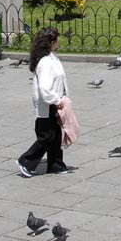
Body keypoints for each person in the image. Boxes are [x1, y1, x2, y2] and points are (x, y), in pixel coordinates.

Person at [17, 28, 73, 177]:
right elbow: (45, 87)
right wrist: (56, 100)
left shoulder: (51, 57)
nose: (59, 41)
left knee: (55, 136)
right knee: (47, 136)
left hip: (53, 103)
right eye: (57, 39)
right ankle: (26, 161)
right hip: (48, 104)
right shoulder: (46, 62)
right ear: (51, 42)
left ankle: (56, 165)